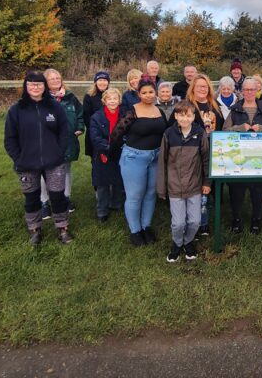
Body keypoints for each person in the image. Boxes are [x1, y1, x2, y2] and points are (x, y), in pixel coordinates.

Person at [3, 70, 72, 245]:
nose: (35, 87)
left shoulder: (54, 107)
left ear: (44, 86)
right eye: (31, 84)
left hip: (54, 161)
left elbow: (64, 131)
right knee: (32, 198)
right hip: (27, 163)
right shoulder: (16, 110)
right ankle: (35, 230)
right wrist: (19, 158)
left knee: (57, 196)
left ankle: (62, 228)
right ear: (26, 87)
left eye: (39, 84)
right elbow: (10, 138)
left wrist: (59, 152)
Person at [112, 79, 168, 247]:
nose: (148, 95)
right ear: (138, 94)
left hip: (155, 157)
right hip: (134, 158)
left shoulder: (159, 111)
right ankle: (135, 230)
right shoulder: (132, 112)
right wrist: (112, 155)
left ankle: (146, 226)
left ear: (155, 93)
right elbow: (116, 134)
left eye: (151, 92)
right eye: (144, 93)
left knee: (151, 194)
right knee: (135, 195)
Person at [157, 100, 211, 262]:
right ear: (175, 116)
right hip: (174, 187)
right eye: (181, 115)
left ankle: (188, 242)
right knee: (178, 223)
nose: (184, 119)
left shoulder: (200, 133)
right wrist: (162, 187)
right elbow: (162, 162)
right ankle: (177, 243)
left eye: (188, 115)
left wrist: (207, 183)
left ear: (194, 117)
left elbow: (206, 160)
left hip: (194, 186)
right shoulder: (168, 134)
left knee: (194, 221)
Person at [223, 77, 262, 234]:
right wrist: (240, 127)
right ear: (241, 91)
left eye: (252, 89)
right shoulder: (235, 110)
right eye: (245, 89)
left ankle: (256, 218)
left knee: (257, 188)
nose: (249, 92)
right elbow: (224, 131)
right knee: (236, 189)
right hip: (238, 156)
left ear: (257, 91)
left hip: (258, 156)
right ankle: (237, 218)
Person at [39, 68, 84, 217]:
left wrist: (79, 127)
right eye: (52, 79)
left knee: (66, 170)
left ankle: (65, 198)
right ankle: (44, 202)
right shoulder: (41, 98)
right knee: (46, 172)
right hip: (48, 142)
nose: (56, 81)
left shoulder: (70, 97)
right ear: (45, 82)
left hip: (68, 140)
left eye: (58, 78)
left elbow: (80, 114)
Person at [186, 73, 224, 235]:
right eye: (199, 86)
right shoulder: (187, 105)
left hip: (213, 151)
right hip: (193, 153)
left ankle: (207, 220)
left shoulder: (214, 106)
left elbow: (221, 127)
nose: (202, 88)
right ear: (193, 88)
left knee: (209, 186)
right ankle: (197, 222)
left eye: (205, 86)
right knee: (196, 187)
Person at [89, 88, 125, 222]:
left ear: (119, 100)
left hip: (121, 151)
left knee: (118, 179)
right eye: (109, 99)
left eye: (115, 98)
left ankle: (116, 204)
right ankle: (102, 211)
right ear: (104, 100)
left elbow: (128, 133)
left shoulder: (124, 115)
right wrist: (108, 147)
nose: (112, 101)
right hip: (103, 152)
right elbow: (95, 136)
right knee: (102, 183)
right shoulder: (97, 117)